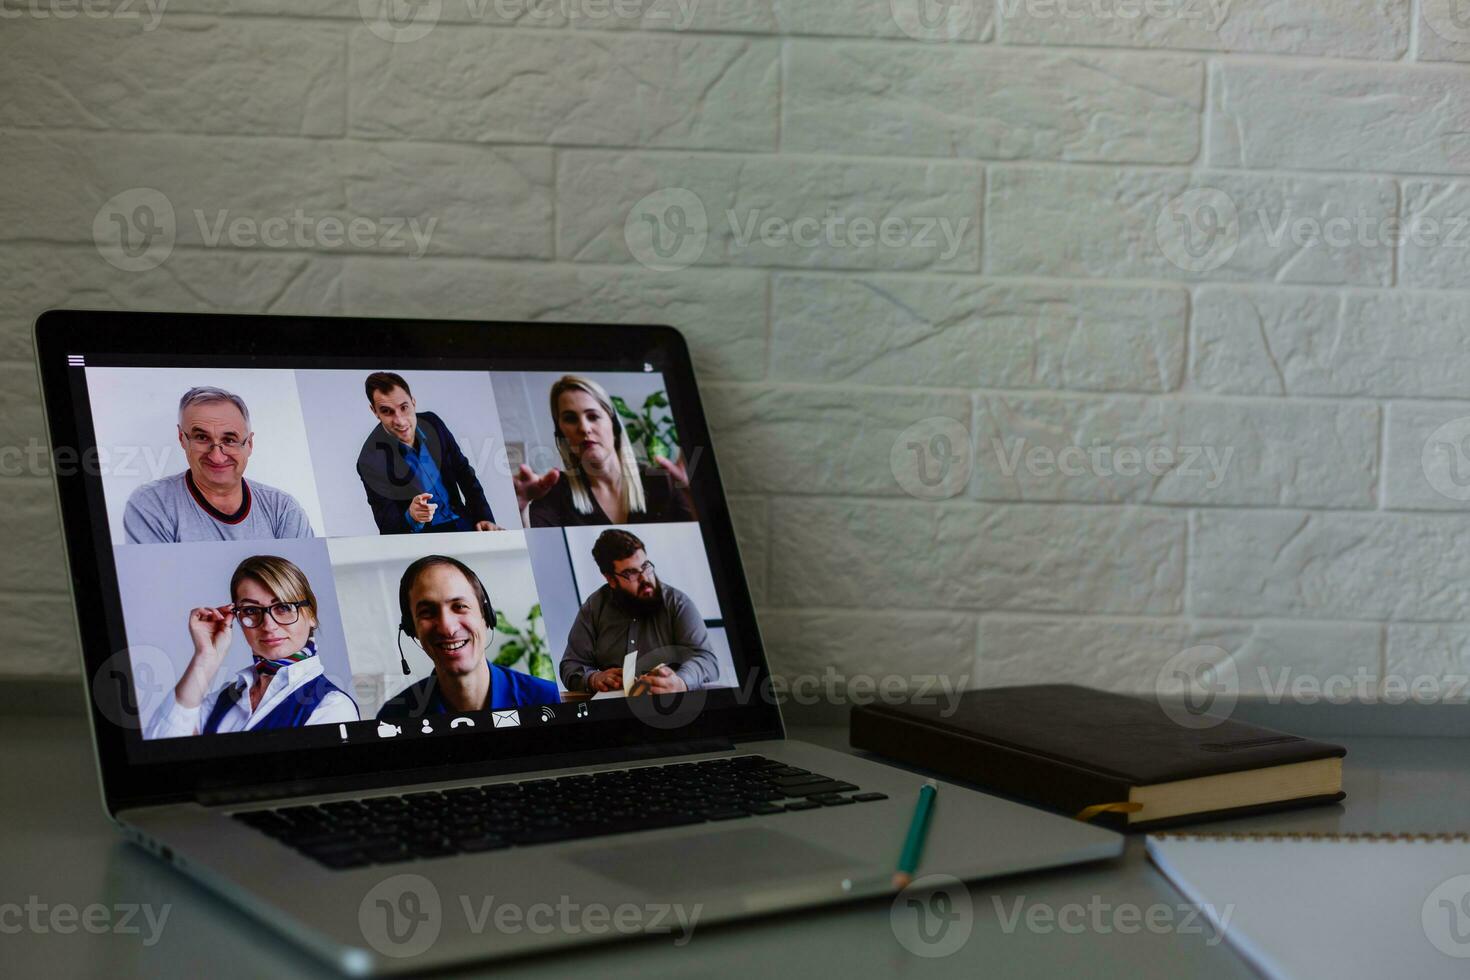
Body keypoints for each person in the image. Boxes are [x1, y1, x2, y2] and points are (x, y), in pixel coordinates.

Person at [144, 555, 358, 738]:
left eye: (283, 607)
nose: (269, 625)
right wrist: (206, 657)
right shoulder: (224, 699)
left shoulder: (332, 706)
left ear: (310, 615)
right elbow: (160, 752)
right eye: (251, 610)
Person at [123, 386, 314, 543]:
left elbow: (300, 584)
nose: (216, 456)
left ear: (249, 444)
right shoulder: (152, 504)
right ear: (182, 438)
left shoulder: (282, 509)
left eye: (230, 440)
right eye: (201, 437)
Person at [377, 555, 559, 719]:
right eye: (427, 612)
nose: (447, 628)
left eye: (460, 606)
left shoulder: (548, 700)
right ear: (412, 629)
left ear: (486, 617)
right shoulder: (393, 717)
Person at [515, 375, 694, 528]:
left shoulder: (661, 481)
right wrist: (521, 508)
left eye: (593, 416)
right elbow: (539, 557)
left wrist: (692, 494)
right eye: (570, 419)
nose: (584, 428)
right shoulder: (553, 495)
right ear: (561, 434)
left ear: (613, 424)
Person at [559, 529, 719, 695]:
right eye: (632, 573)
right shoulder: (594, 607)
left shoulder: (678, 603)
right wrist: (594, 678)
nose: (645, 579)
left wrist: (680, 682)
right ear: (611, 579)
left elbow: (707, 660)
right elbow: (570, 665)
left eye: (645, 566)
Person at [356, 372, 503, 535]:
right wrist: (411, 517)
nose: (400, 420)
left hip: (464, 523)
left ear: (413, 402)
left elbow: (465, 474)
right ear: (375, 411)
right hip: (424, 540)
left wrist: (484, 517)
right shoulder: (369, 460)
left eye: (404, 408)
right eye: (386, 411)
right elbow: (387, 527)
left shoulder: (433, 423)